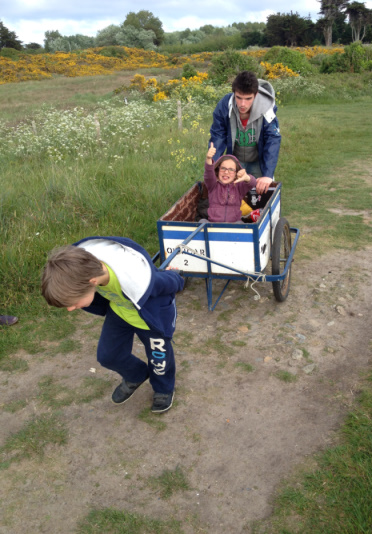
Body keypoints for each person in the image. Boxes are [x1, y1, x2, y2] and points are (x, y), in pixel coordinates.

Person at [41, 236, 184, 414]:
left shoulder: (137, 277)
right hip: (119, 312)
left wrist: (176, 277)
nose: (71, 309)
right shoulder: (85, 268)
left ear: (92, 282)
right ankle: (136, 375)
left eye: (73, 303)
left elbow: (164, 282)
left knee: (159, 359)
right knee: (107, 356)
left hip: (149, 319)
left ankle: (164, 388)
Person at [209, 70, 281, 195]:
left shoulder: (267, 108)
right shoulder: (224, 106)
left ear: (256, 94)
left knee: (264, 193)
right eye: (239, 98)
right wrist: (213, 168)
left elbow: (272, 140)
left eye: (248, 99)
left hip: (258, 161)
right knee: (230, 194)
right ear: (234, 94)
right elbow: (218, 138)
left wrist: (268, 174)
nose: (243, 104)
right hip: (236, 160)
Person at [202, 142, 257, 223]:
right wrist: (209, 159)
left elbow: (252, 183)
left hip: (233, 226)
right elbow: (209, 173)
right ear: (218, 170)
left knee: (240, 223)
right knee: (202, 222)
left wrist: (247, 177)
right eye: (223, 168)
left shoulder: (239, 187)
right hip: (213, 226)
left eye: (231, 169)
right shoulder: (213, 185)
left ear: (236, 173)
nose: (226, 172)